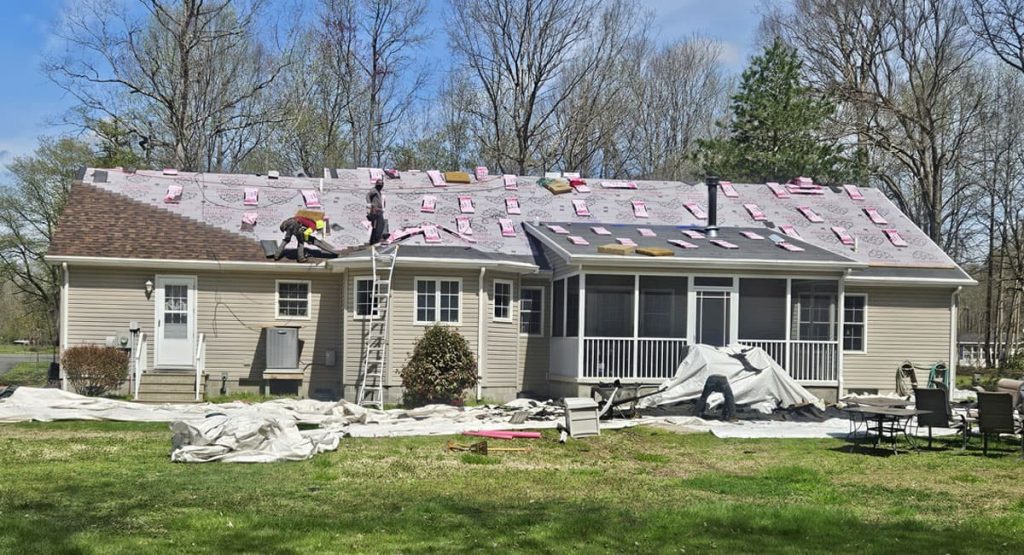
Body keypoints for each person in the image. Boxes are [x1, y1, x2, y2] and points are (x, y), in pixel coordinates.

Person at [366, 179, 386, 245]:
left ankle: (373, 240)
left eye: (381, 185)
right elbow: (368, 195)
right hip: (375, 210)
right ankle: (377, 239)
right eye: (379, 185)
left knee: (375, 225)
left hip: (378, 210)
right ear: (377, 185)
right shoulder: (374, 190)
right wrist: (369, 204)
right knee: (380, 224)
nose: (380, 187)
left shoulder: (378, 191)